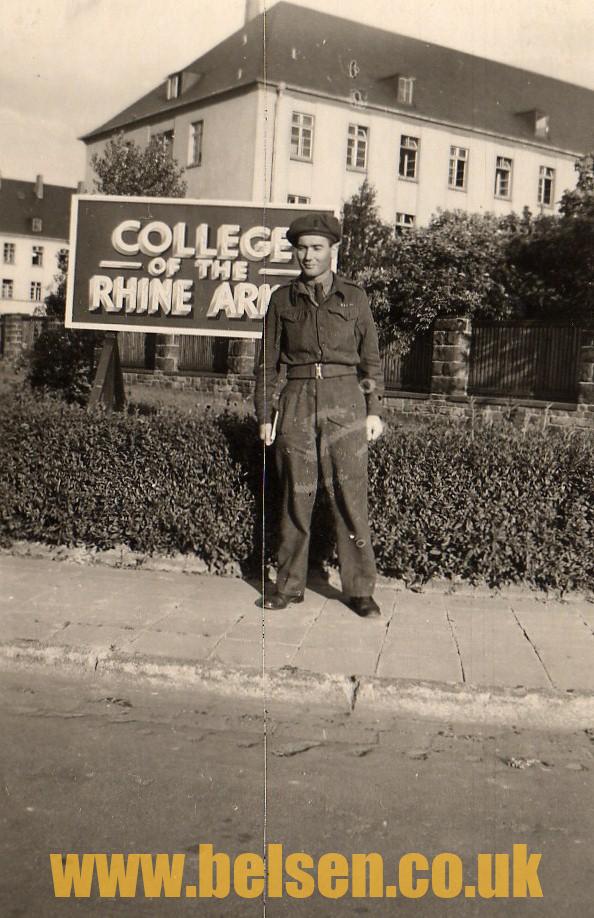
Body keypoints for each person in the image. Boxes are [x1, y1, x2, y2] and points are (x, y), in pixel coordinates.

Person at [255, 212, 384, 617]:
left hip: (345, 399)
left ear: (333, 250)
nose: (308, 256)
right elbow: (264, 365)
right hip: (295, 399)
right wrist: (264, 414)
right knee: (297, 494)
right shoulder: (282, 299)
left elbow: (371, 362)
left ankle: (360, 589)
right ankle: (289, 585)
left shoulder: (355, 297)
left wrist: (374, 409)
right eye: (301, 248)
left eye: (316, 248)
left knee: (350, 495)